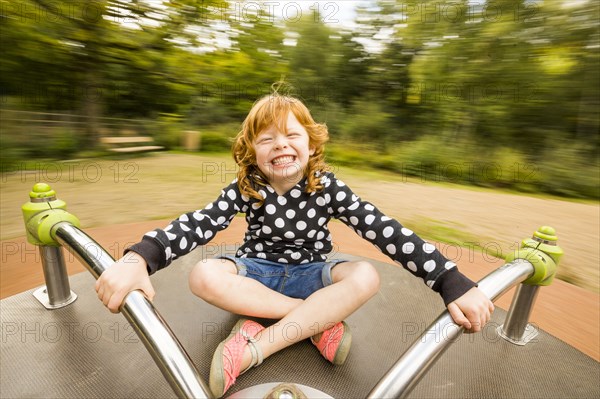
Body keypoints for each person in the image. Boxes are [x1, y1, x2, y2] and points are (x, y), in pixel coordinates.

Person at [95, 90, 494, 397]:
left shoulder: (328, 188)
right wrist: (139, 258)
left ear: (311, 144)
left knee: (366, 275)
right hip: (256, 274)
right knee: (203, 274)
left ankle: (255, 347)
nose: (280, 144)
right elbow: (199, 223)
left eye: (291, 135)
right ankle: (314, 322)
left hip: (311, 274)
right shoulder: (245, 186)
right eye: (266, 139)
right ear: (252, 151)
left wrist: (448, 278)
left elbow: (384, 229)